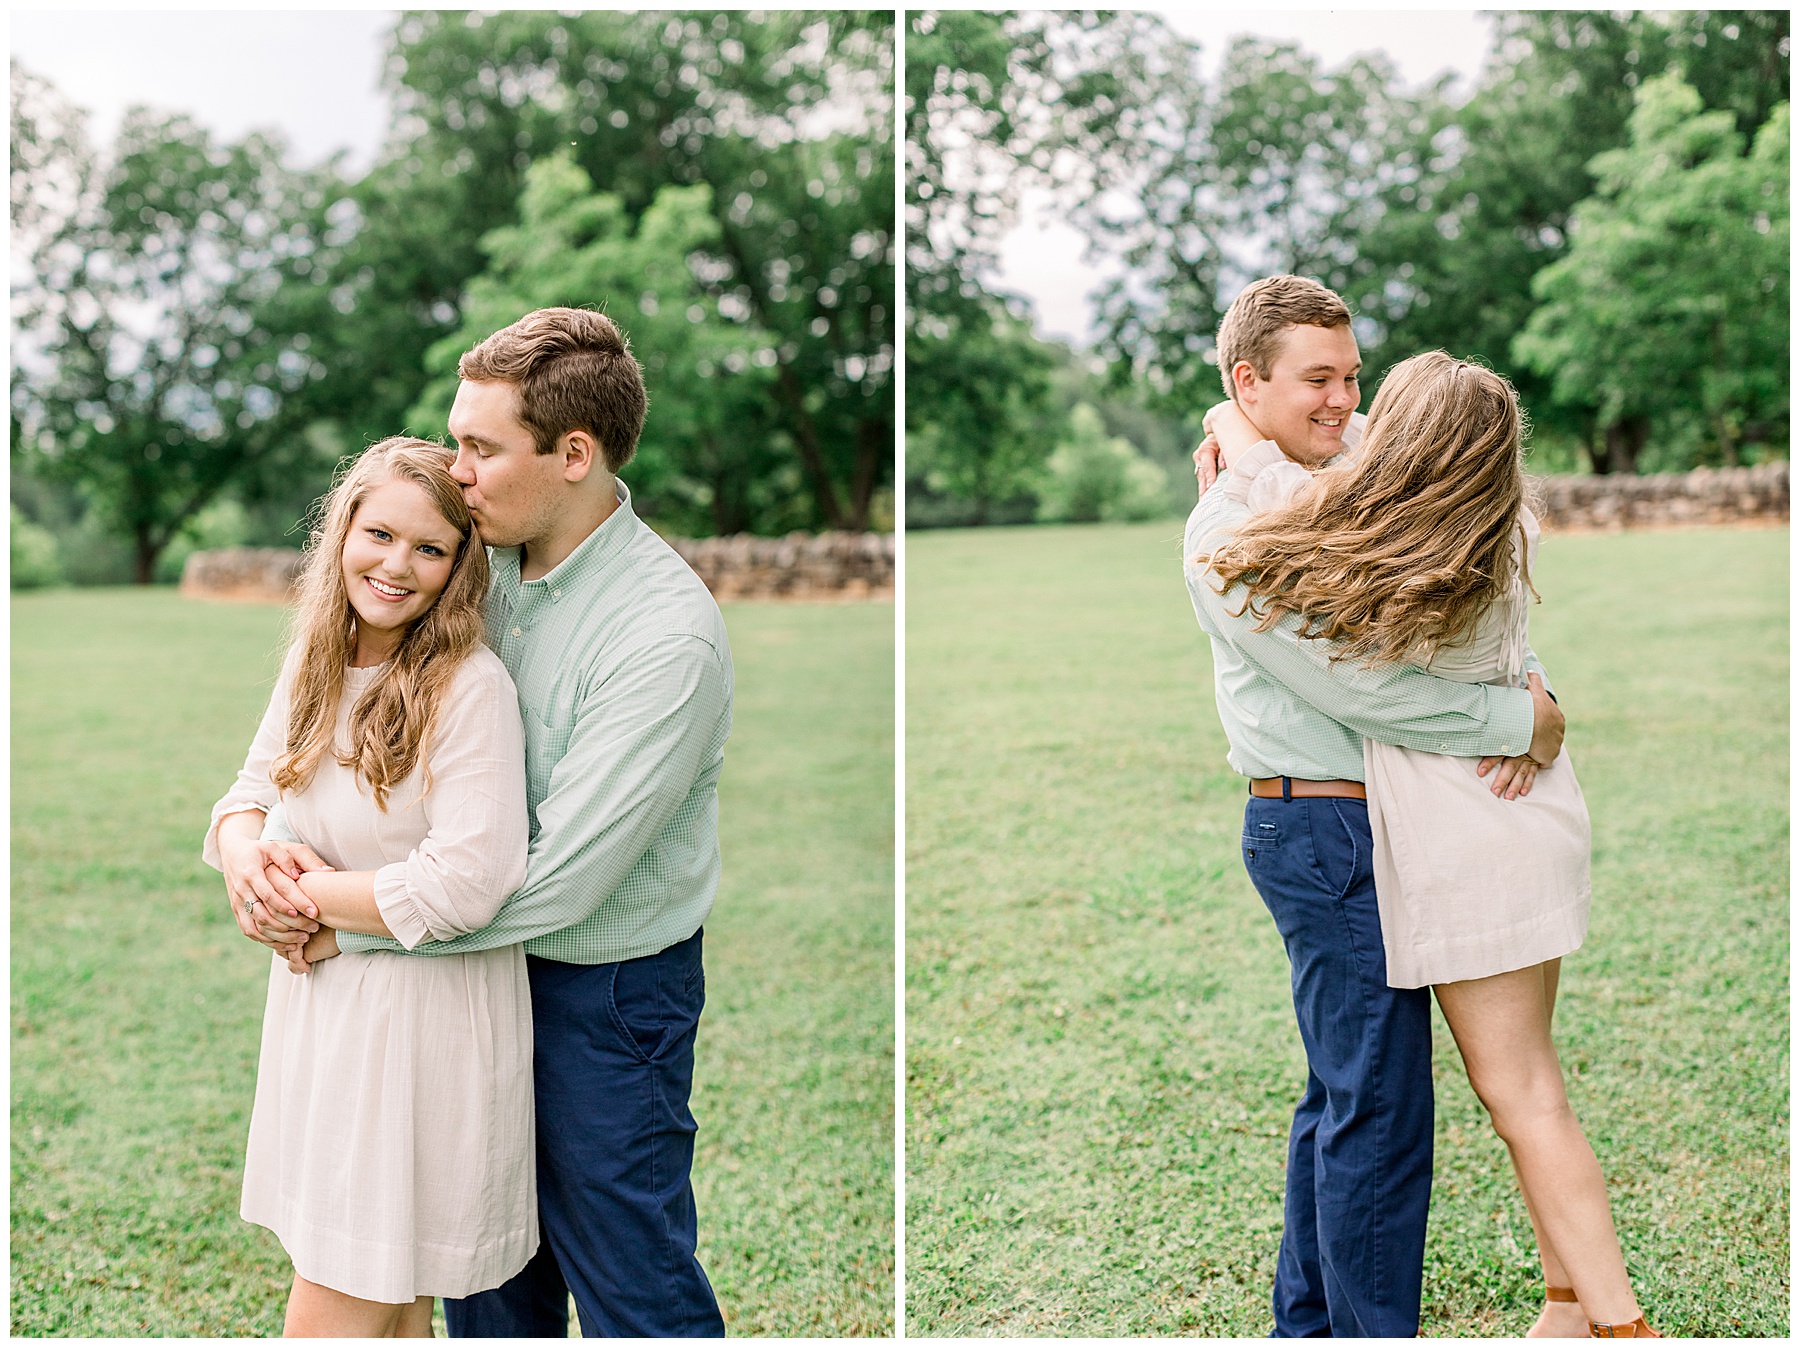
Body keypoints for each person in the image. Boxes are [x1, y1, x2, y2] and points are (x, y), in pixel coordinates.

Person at [243, 307, 734, 1337]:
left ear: (573, 453)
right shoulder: (474, 570)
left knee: (630, 1283)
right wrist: (260, 853)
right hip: (462, 988)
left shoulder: (663, 633)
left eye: (479, 446)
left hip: (604, 999)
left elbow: (555, 882)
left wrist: (340, 917)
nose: (455, 470)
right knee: (481, 1280)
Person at [1201, 350, 1657, 1338]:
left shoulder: (1387, 556)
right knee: (1536, 1082)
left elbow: (1301, 514)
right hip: (1534, 813)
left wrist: (1240, 444)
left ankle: (1622, 1325)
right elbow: (1356, 466)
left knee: (1525, 1097)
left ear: (1401, 448)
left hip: (1467, 828)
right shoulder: (1497, 525)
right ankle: (1569, 1308)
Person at [206, 436, 534, 1337]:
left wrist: (312, 904)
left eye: (430, 549)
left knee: (340, 1304)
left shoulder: (470, 687)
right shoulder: (316, 658)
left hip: (419, 1031)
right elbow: (247, 795)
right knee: (388, 1311)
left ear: (461, 567)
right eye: (380, 533)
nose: (397, 565)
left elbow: (471, 879)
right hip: (327, 1020)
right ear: (342, 527)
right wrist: (247, 867)